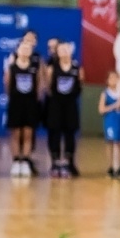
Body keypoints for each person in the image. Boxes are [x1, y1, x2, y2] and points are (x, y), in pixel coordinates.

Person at [5, 32, 42, 177]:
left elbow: (39, 85)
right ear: (18, 50)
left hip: (30, 104)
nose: (25, 50)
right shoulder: (12, 67)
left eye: (28, 48)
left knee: (28, 133)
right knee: (16, 134)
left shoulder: (35, 67)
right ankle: (16, 161)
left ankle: (25, 161)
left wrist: (34, 100)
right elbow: (7, 86)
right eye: (22, 48)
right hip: (16, 103)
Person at [46, 41, 82, 177]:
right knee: (54, 133)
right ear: (57, 53)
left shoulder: (77, 68)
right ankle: (55, 163)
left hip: (70, 105)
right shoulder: (52, 68)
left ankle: (69, 163)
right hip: (56, 105)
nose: (64, 52)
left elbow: (80, 86)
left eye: (66, 49)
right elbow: (49, 88)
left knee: (70, 134)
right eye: (61, 50)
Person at [101, 71, 120, 179]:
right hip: (111, 120)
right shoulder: (105, 94)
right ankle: (111, 167)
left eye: (116, 78)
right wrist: (113, 106)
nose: (114, 80)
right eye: (111, 78)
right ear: (107, 80)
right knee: (111, 143)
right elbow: (101, 109)